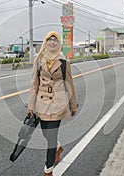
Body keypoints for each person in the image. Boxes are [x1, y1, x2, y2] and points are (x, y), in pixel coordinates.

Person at [27, 31, 78, 176]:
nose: (52, 42)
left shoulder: (63, 61)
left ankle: (48, 170)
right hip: (42, 102)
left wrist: (72, 105)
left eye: (55, 40)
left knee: (51, 136)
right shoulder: (38, 60)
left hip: (58, 102)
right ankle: (57, 148)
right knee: (45, 133)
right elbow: (34, 84)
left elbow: (69, 84)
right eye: (49, 40)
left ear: (58, 43)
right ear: (45, 42)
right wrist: (31, 105)